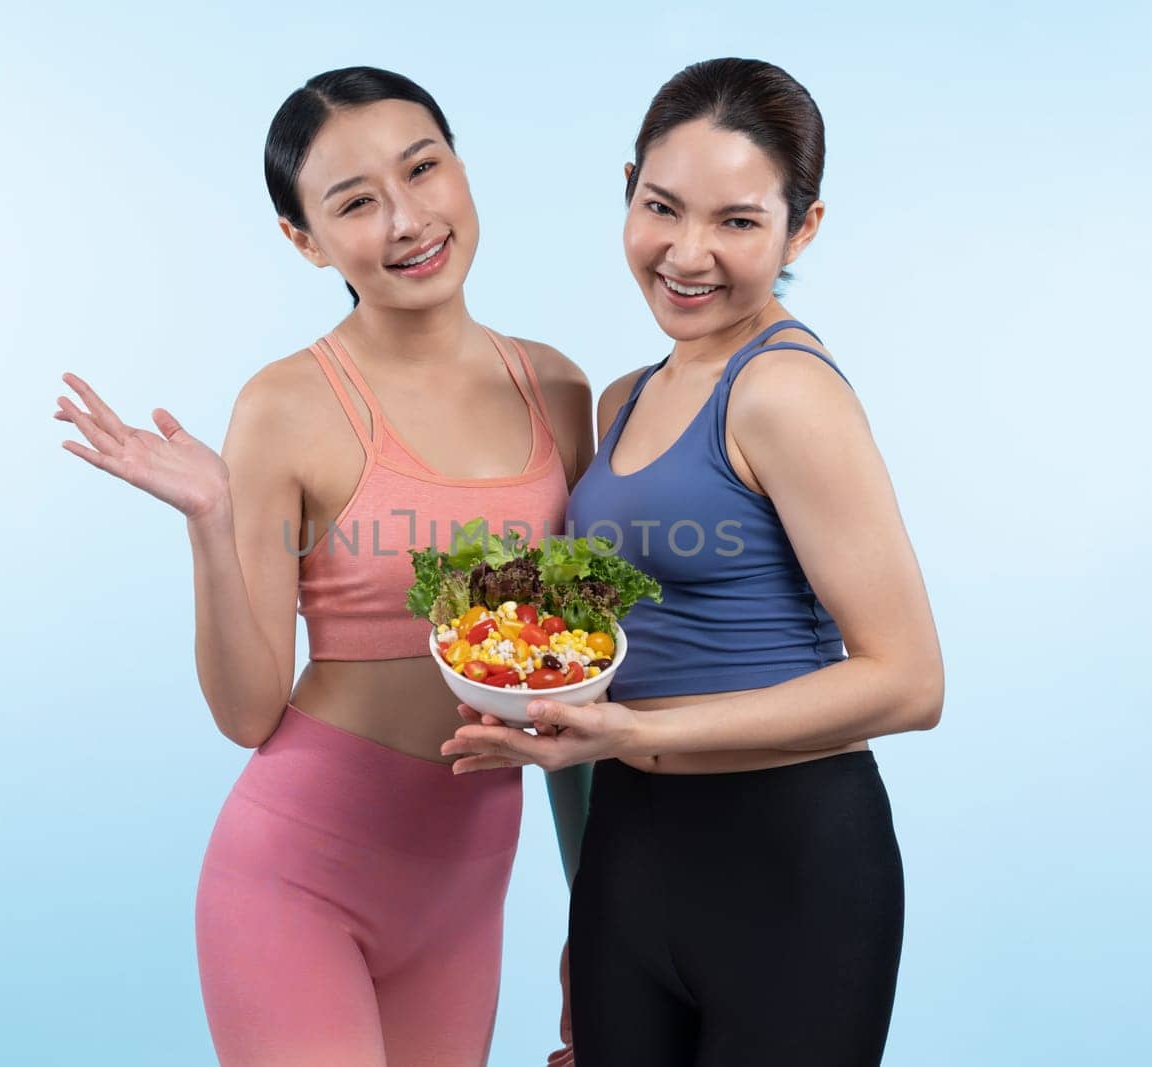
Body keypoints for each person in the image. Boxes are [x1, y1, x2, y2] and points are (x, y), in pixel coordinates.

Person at [54, 66, 591, 1067]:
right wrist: (213, 519)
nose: (406, 218)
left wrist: (600, 916)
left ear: (461, 169)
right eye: (354, 202)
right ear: (305, 241)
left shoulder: (558, 389)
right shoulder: (286, 405)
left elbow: (574, 689)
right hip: (299, 873)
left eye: (421, 169)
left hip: (468, 887)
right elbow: (248, 712)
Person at [445, 57, 944, 1066]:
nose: (687, 253)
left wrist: (633, 725)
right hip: (630, 852)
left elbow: (909, 680)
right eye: (660, 207)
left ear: (801, 229)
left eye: (738, 221)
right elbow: (599, 667)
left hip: (788, 860)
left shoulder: (784, 393)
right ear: (626, 188)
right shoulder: (624, 396)